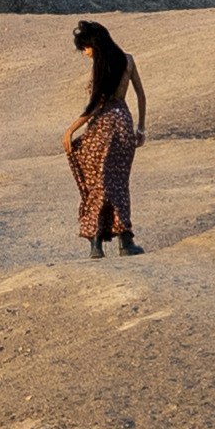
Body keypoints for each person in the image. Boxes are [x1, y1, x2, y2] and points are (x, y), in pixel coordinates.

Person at [64, 17, 147, 257]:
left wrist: (71, 130)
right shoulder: (127, 60)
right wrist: (140, 130)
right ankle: (125, 240)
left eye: (85, 48)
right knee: (118, 183)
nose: (85, 53)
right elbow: (141, 96)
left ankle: (96, 242)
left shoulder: (101, 66)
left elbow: (95, 106)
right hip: (123, 125)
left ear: (95, 45)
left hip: (102, 128)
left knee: (96, 184)